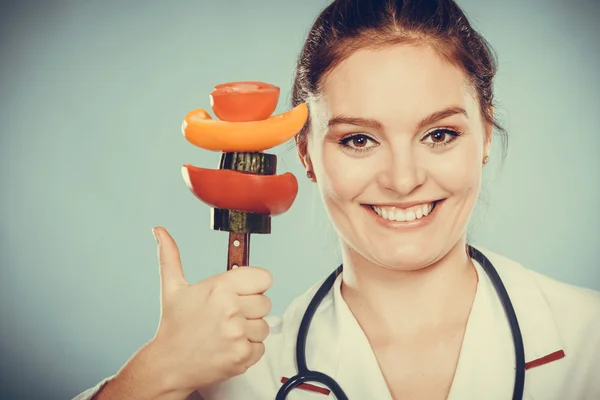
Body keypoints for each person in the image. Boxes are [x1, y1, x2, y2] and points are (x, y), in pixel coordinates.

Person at [74, 0, 600, 399]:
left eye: (439, 134)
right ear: (305, 154)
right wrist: (155, 371)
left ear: (485, 135)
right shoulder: (233, 379)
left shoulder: (589, 338)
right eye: (358, 139)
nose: (402, 179)